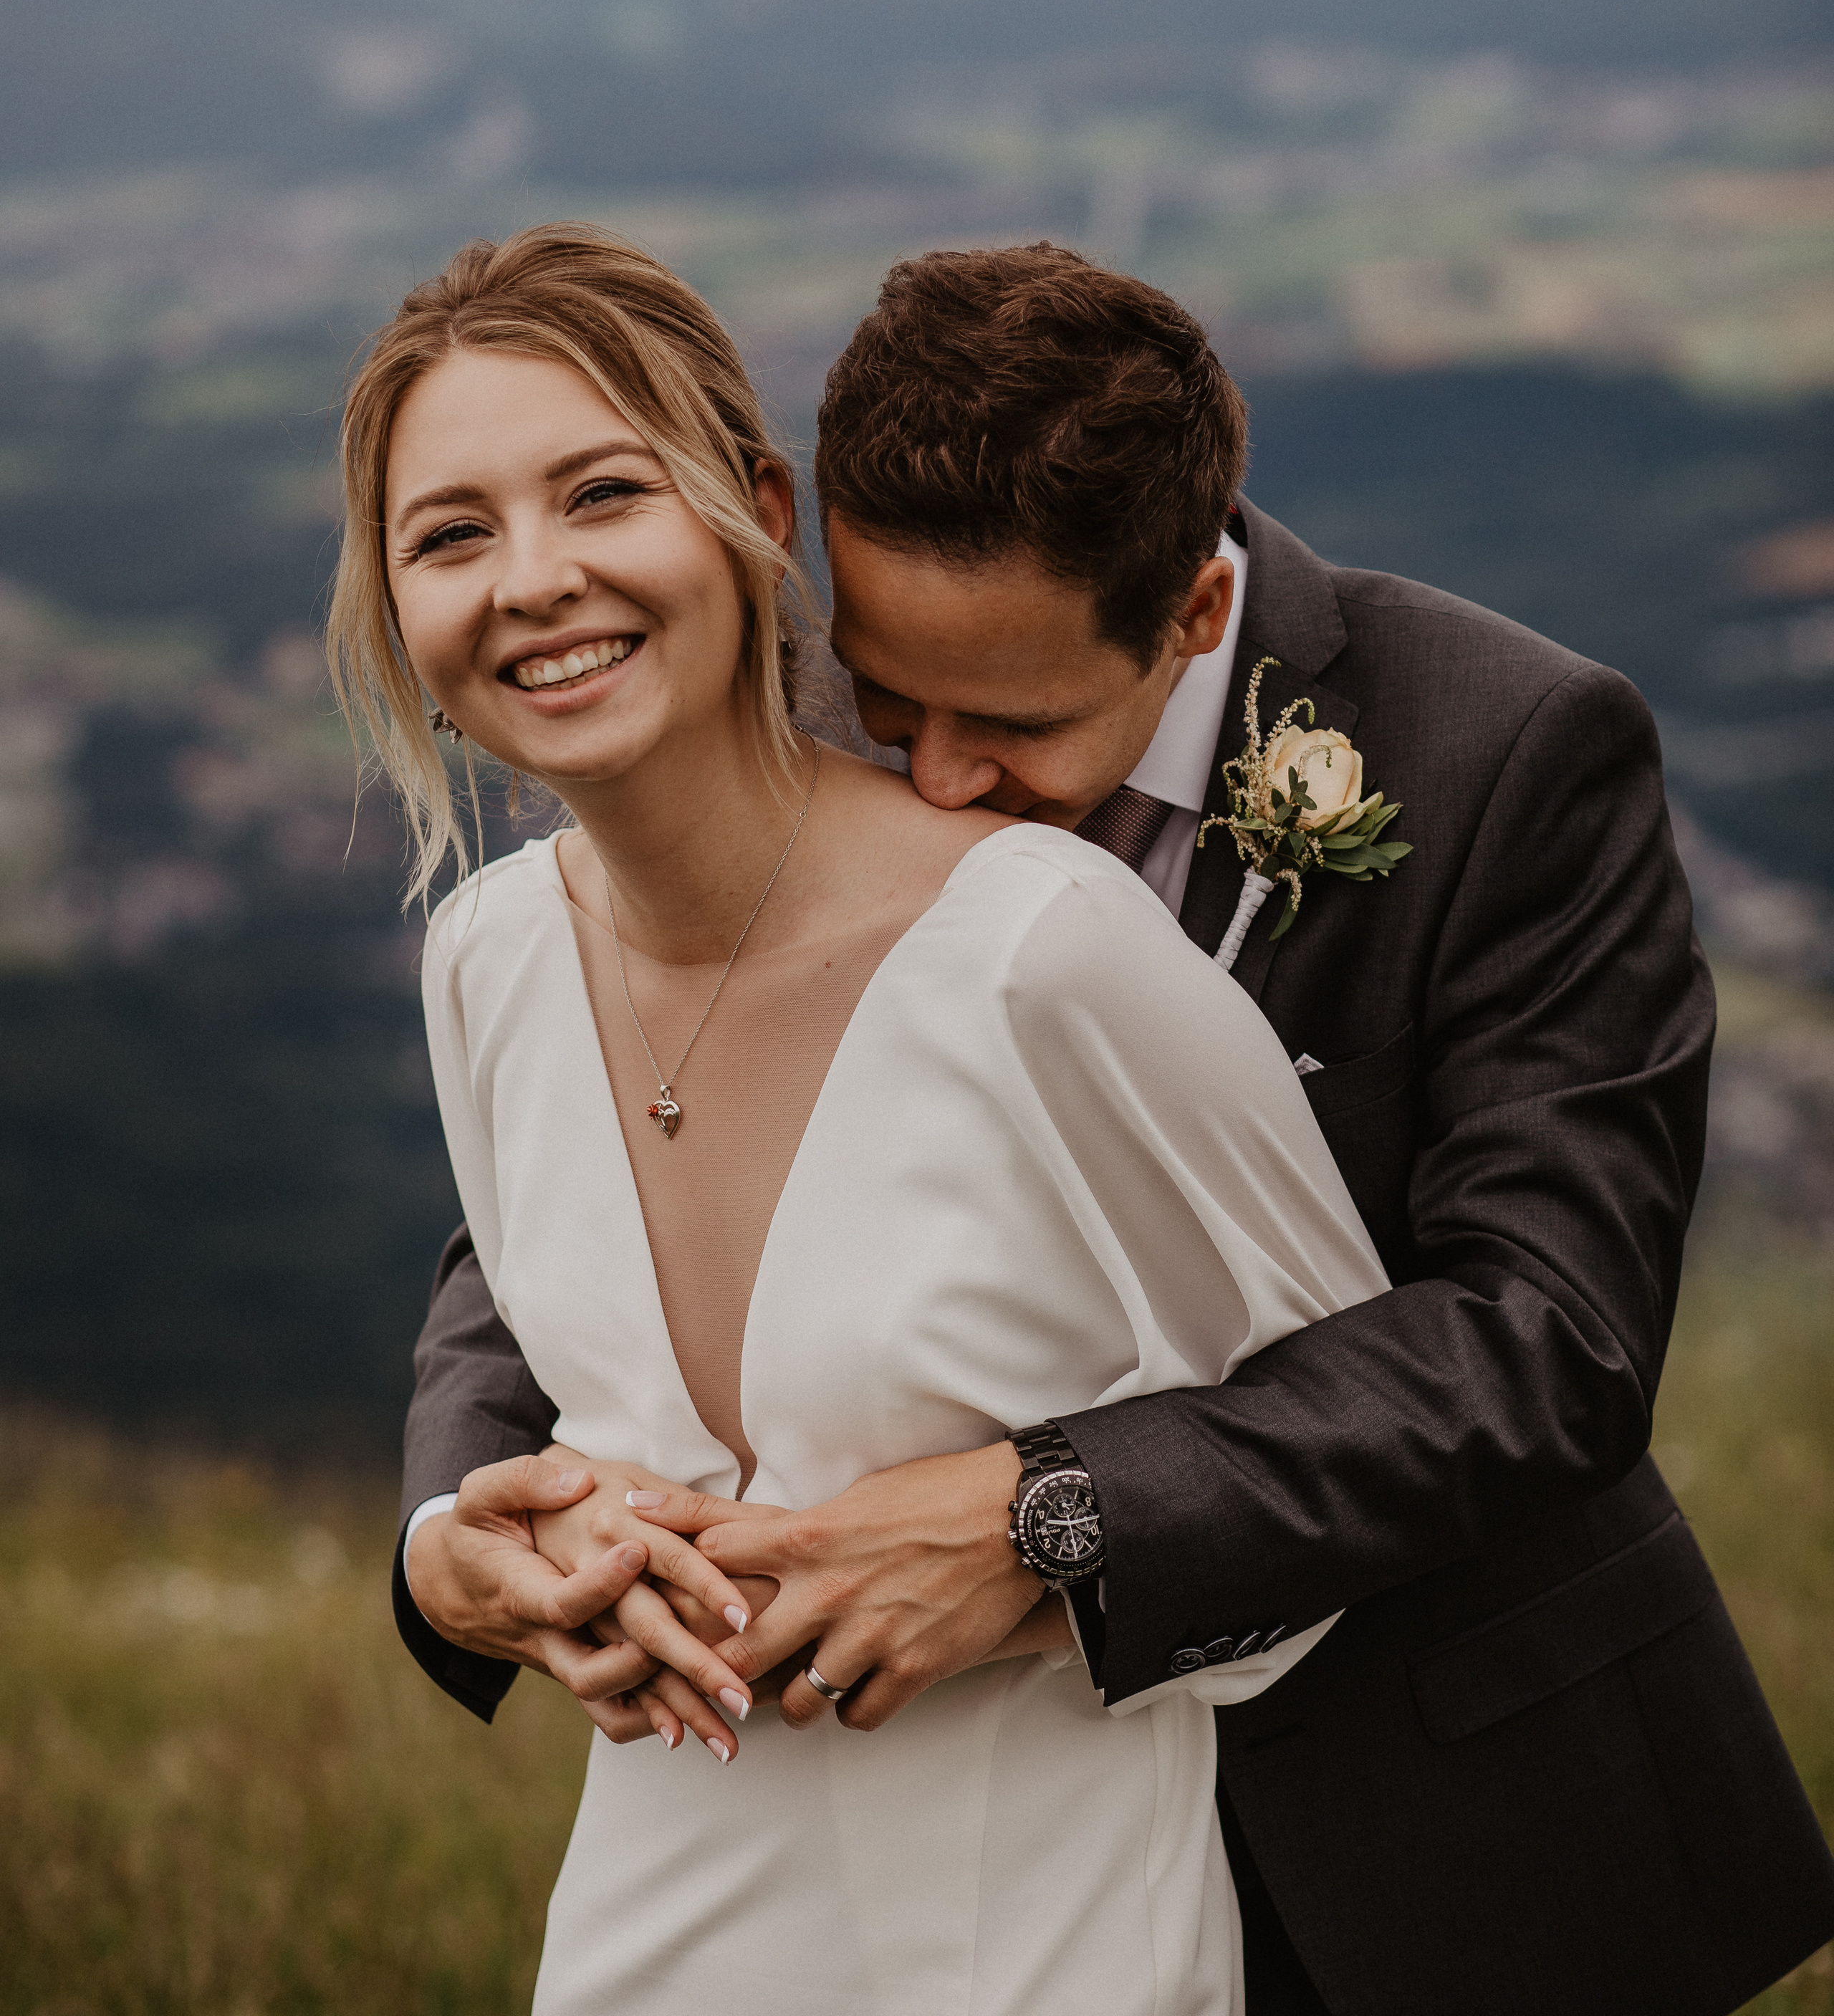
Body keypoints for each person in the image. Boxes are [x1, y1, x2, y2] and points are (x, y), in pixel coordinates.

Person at [398, 238, 1834, 2015]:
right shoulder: (789, 690)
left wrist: (1043, 1517)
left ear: (1192, 621)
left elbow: (1546, 1342)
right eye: (882, 699)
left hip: (1425, 1802)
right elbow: (607, 1148)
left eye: (1003, 725)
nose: (923, 779)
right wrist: (457, 1509)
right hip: (944, 1845)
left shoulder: (1504, 751)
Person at [331, 223, 1394, 2015]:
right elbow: (520, 1355)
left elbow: (1346, 1454)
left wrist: (1047, 1545)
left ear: (751, 511)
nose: (529, 581)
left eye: (600, 494)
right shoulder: (484, 964)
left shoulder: (1041, 952)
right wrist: (491, 1550)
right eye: (450, 533)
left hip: (1037, 1947)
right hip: (648, 1933)